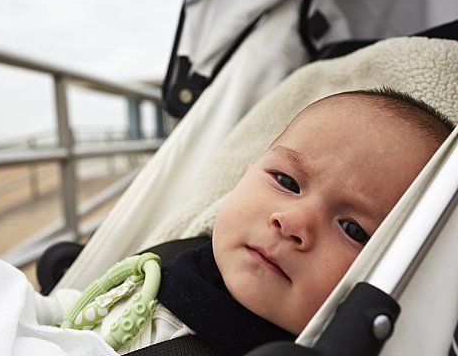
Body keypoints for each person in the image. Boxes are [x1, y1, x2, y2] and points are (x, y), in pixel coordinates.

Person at [53, 88, 455, 355]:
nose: (292, 222)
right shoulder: (181, 257)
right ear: (246, 172)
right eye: (286, 181)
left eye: (353, 229)